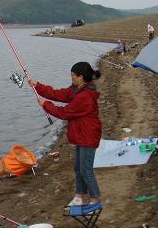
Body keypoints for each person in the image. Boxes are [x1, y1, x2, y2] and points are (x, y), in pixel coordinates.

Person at [28, 62, 102, 208]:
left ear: (81, 77)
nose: (72, 78)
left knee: (86, 169)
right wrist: (37, 86)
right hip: (81, 134)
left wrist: (45, 105)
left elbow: (64, 113)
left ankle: (95, 201)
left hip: (88, 135)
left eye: (73, 76)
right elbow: (59, 94)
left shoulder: (85, 96)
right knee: (78, 168)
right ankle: (79, 196)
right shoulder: (77, 89)